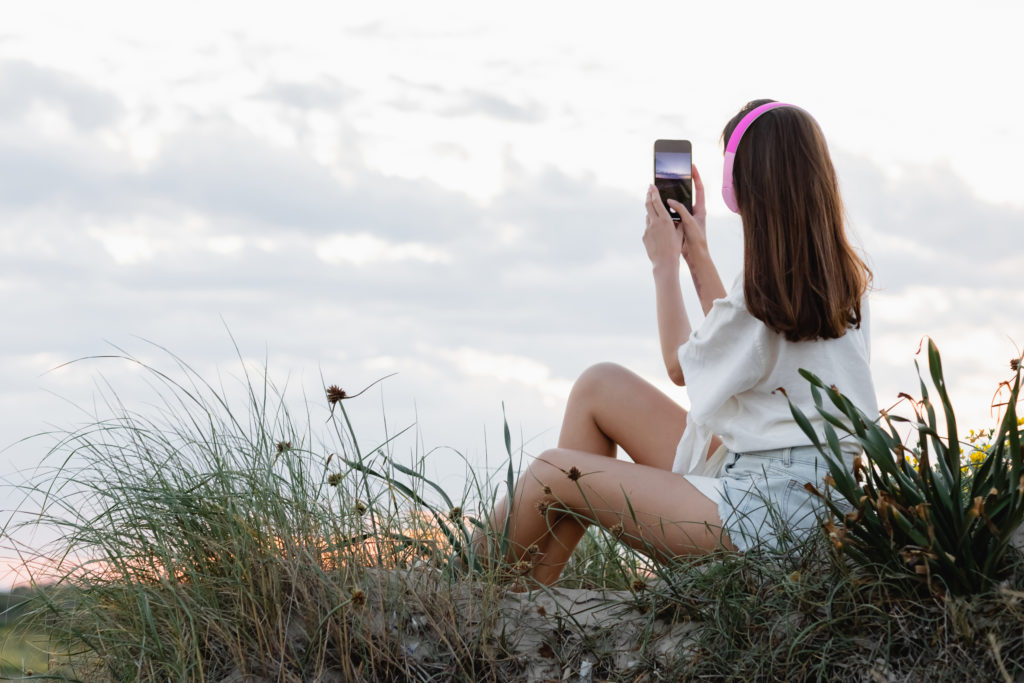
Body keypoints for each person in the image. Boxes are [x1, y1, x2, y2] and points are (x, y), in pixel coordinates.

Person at [476, 99, 877, 586]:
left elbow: (682, 365)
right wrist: (696, 254)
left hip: (760, 519)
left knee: (552, 473)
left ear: (743, 188)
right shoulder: (842, 282)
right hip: (807, 502)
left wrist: (664, 265)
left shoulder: (761, 292)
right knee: (598, 387)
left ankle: (458, 589)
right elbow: (738, 346)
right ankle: (527, 596)